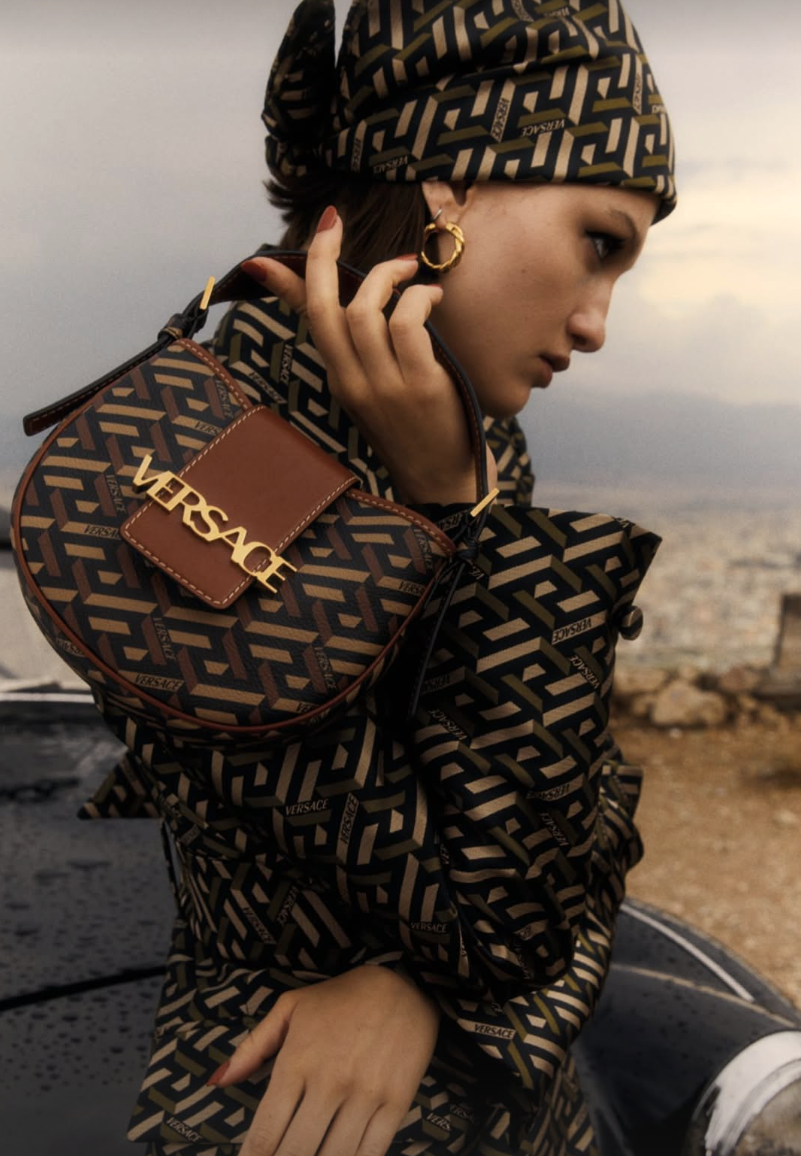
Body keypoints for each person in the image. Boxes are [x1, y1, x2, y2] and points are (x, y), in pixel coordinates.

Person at [80, 1, 677, 1153]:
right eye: (599, 242)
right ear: (447, 188)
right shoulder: (195, 457)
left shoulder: (460, 439)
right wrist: (457, 515)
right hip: (294, 1100)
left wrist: (418, 986)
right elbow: (511, 912)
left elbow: (585, 843)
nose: (599, 323)